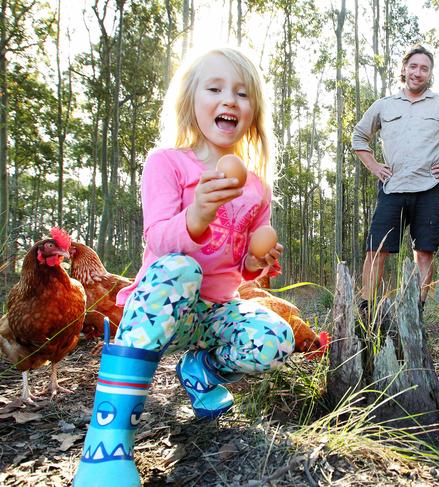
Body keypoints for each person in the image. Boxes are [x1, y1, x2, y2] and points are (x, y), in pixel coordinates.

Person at [74, 47, 295, 486]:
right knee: (181, 269)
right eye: (215, 89)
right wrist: (196, 215)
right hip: (158, 308)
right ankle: (106, 441)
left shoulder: (256, 188)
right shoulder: (167, 163)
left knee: (277, 336)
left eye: (242, 93)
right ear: (192, 100)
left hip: (213, 315)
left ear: (253, 112)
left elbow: (243, 266)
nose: (229, 100)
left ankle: (200, 371)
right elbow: (157, 237)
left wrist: (255, 261)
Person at [352, 44, 439, 320]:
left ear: (430, 73)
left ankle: (417, 309)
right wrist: (374, 166)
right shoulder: (384, 105)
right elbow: (358, 137)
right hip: (393, 188)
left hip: (429, 190)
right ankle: (366, 308)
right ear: (404, 69)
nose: (418, 72)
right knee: (376, 250)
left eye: (424, 68)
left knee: (424, 251)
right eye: (413, 66)